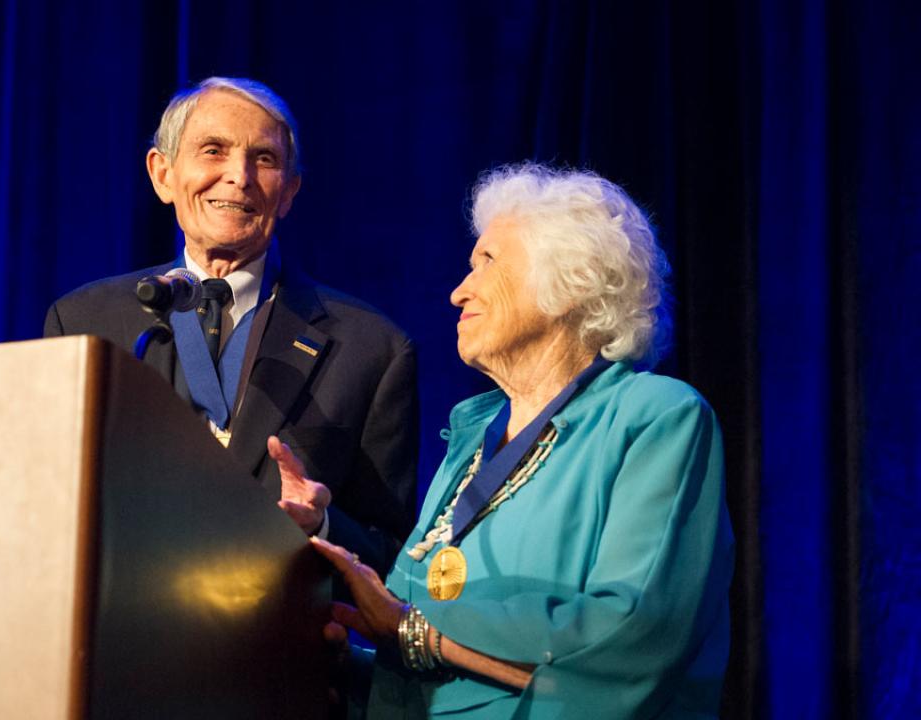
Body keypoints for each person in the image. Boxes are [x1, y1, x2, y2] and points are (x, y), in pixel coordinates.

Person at [306, 163, 734, 718]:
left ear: (570, 282)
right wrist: (346, 667)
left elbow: (631, 643)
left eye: (487, 261)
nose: (458, 292)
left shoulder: (656, 417)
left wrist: (418, 633)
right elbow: (435, 676)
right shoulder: (473, 437)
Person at [44, 77, 418, 576]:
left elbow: (394, 559)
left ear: (289, 192)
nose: (239, 176)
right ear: (163, 174)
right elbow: (45, 502)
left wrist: (322, 524)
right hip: (117, 611)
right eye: (213, 150)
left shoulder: (371, 349)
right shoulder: (84, 322)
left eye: (264, 159)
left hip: (275, 618)